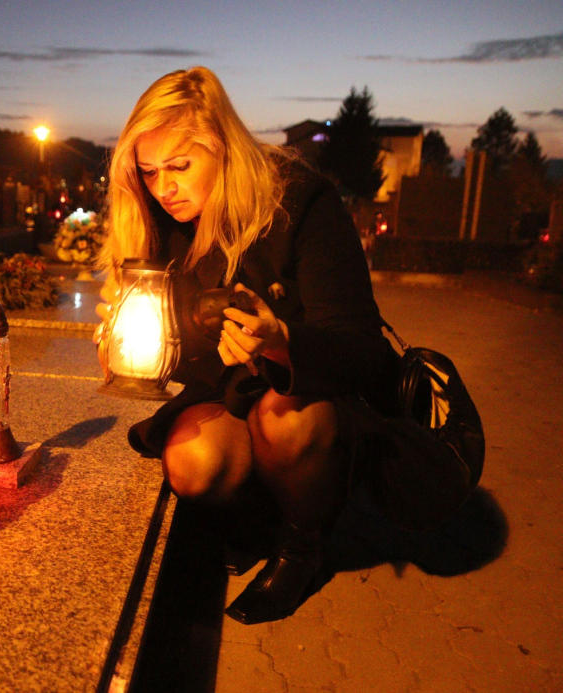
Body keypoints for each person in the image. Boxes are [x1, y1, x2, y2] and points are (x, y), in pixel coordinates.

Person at [94, 67, 401, 625]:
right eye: (148, 171)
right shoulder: (159, 223)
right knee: (191, 463)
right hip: (235, 392)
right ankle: (265, 516)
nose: (164, 188)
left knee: (283, 419)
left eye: (180, 167)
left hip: (318, 395)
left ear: (224, 147)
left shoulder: (299, 202)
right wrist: (126, 342)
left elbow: (361, 350)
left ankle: (303, 546)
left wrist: (283, 342)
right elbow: (189, 358)